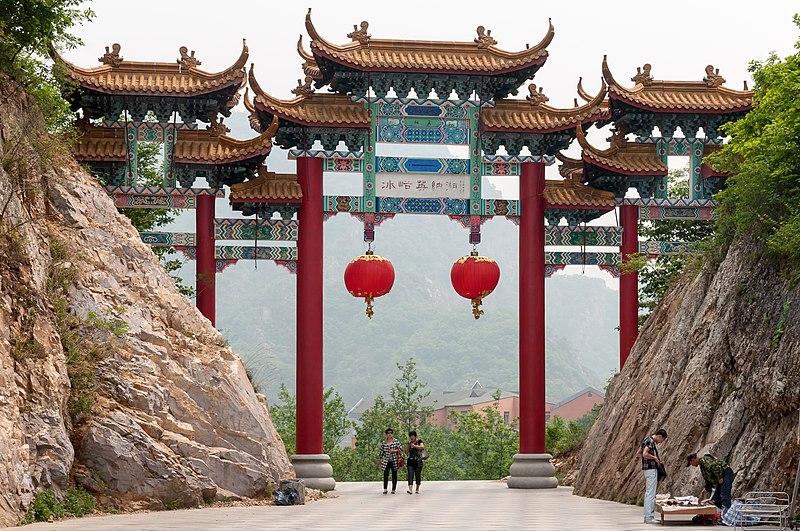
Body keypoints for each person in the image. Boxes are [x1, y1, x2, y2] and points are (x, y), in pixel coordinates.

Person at [638, 428, 668, 524]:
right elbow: (644, 453)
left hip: (647, 469)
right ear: (659, 436)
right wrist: (654, 458)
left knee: (648, 494)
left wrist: (651, 459)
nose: (660, 442)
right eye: (662, 440)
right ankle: (649, 517)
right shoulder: (650, 441)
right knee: (651, 494)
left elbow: (638, 454)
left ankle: (648, 516)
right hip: (651, 470)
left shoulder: (646, 440)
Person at [378, 428, 402, 494]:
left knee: (394, 475)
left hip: (394, 460)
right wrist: (379, 458)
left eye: (391, 433)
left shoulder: (396, 441)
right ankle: (385, 489)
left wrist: (394, 451)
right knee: (386, 474)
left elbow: (400, 449)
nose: (389, 434)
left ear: (392, 434)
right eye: (388, 433)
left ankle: (393, 489)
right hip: (386, 460)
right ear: (386, 435)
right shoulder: (384, 443)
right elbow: (381, 451)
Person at [405, 430, 425, 494]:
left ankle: (417, 488)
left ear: (415, 436)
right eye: (410, 436)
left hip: (418, 461)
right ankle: (410, 489)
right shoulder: (409, 443)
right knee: (410, 475)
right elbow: (406, 452)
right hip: (410, 461)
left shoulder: (419, 441)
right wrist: (408, 446)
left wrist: (415, 446)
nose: (412, 437)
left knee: (417, 475)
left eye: (413, 436)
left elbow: (422, 447)